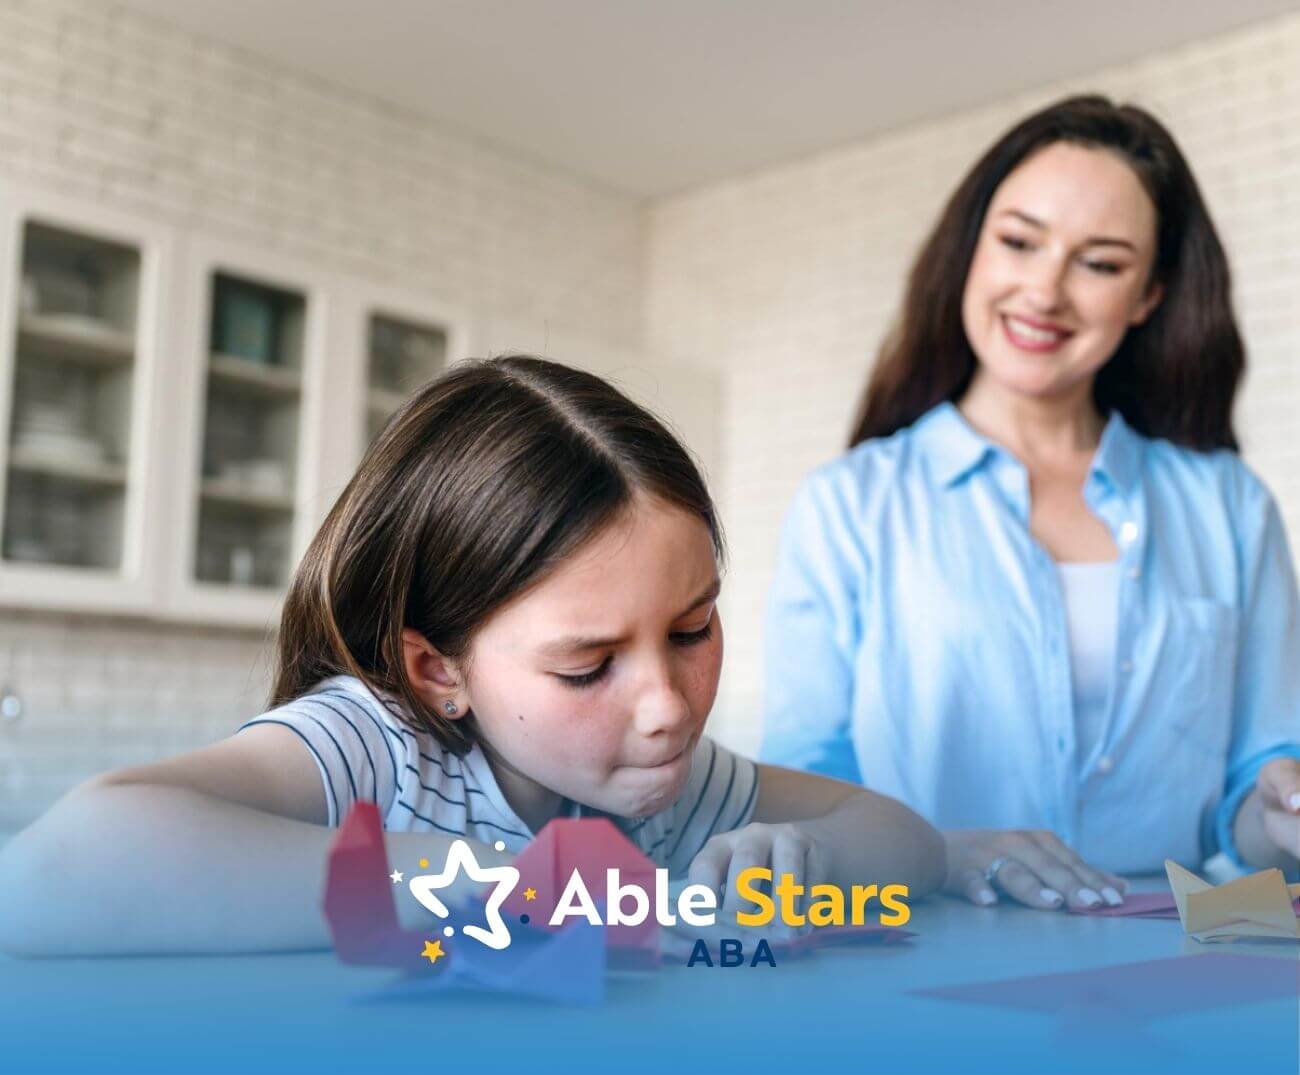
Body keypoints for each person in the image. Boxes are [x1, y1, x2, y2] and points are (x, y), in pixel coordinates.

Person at [0, 355, 944, 956]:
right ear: (437, 671)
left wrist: (805, 858)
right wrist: (491, 883)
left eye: (691, 630)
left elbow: (905, 841)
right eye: (587, 666)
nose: (667, 705)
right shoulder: (374, 745)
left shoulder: (660, 779)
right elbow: (45, 878)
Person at [761, 95, 1300, 911]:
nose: (1044, 291)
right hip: (926, 962)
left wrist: (1281, 813)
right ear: (971, 251)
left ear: (1148, 295)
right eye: (1018, 241)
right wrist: (932, 853)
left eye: (1101, 262)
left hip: (1179, 954)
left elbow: (1254, 800)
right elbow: (806, 793)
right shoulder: (850, 504)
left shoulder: (1231, 507)